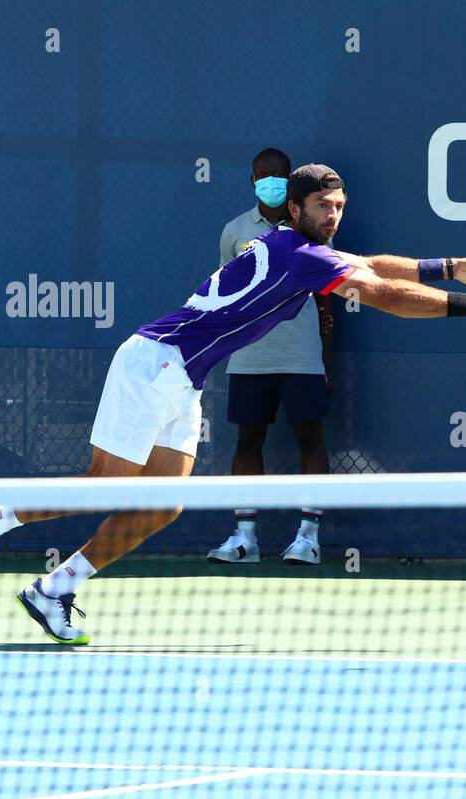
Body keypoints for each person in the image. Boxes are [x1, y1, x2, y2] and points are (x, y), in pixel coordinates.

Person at [0, 164, 466, 646]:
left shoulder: (305, 249)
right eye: (323, 206)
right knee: (105, 485)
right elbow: (379, 292)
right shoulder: (303, 255)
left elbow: (367, 264)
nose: (333, 215)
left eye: (339, 206)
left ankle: (55, 589)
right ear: (293, 209)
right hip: (154, 362)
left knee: (161, 507)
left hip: (183, 377)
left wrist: (450, 268)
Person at [206, 147, 337, 566]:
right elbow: (226, 297)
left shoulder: (314, 228)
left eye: (279, 175)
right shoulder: (234, 232)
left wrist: (326, 361)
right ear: (252, 182)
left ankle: (309, 539)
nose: (272, 181)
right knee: (248, 441)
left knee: (309, 438)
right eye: (264, 175)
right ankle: (245, 539)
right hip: (249, 358)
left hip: (301, 356)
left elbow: (326, 301)